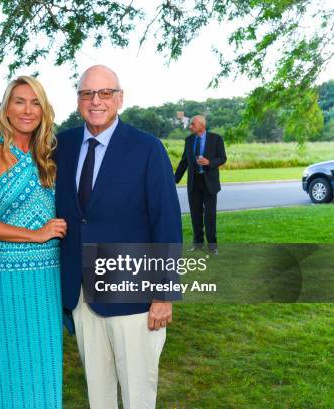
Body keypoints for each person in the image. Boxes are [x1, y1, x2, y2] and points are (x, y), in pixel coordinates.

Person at [55, 65, 182, 409]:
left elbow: (167, 222)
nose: (96, 101)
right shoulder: (62, 146)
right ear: (78, 100)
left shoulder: (147, 148)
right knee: (99, 393)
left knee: (137, 392)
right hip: (81, 295)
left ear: (120, 98)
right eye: (87, 94)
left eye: (105, 93)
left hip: (133, 297)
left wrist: (164, 295)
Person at [0, 76, 65, 408]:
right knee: (7, 365)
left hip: (48, 277)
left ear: (44, 110)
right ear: (6, 107)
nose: (27, 110)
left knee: (44, 366)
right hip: (8, 275)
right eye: (20, 101)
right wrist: (35, 234)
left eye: (35, 102)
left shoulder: (49, 156)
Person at [174, 115, 227, 254]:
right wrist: (174, 180)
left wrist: (210, 162)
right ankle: (197, 244)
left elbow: (222, 158)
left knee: (210, 216)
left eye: (192, 124)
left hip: (209, 183)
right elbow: (184, 162)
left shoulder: (216, 139)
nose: (190, 126)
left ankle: (212, 246)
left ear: (201, 125)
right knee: (195, 215)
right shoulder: (189, 140)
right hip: (194, 183)